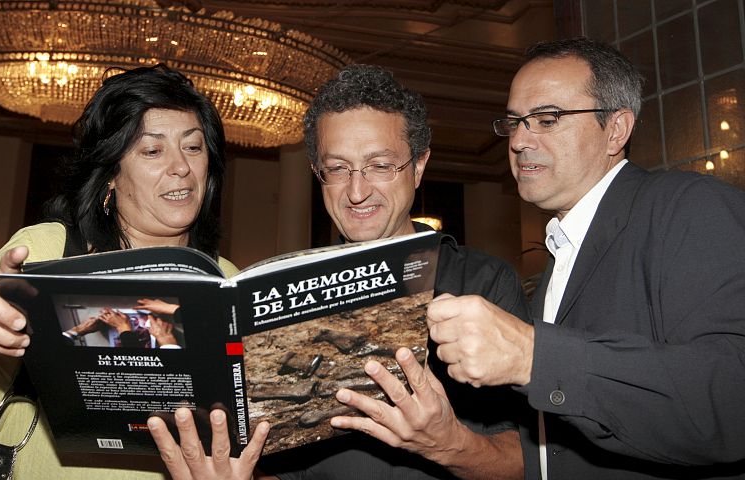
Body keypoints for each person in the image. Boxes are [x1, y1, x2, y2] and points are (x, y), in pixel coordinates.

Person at [149, 64, 530, 479]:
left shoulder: (483, 283)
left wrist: (449, 443)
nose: (357, 191)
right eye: (337, 169)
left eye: (380, 165)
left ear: (419, 166)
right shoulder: (290, 286)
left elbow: (534, 464)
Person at [426, 37, 745, 478]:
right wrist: (448, 442)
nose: (519, 141)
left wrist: (533, 357)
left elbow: (732, 398)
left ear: (616, 130)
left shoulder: (690, 206)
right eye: (515, 122)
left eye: (547, 119)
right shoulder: (563, 249)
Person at [0, 64, 256, 479]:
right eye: (152, 151)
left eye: (193, 147)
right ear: (110, 173)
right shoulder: (47, 252)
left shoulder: (227, 280)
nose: (181, 166)